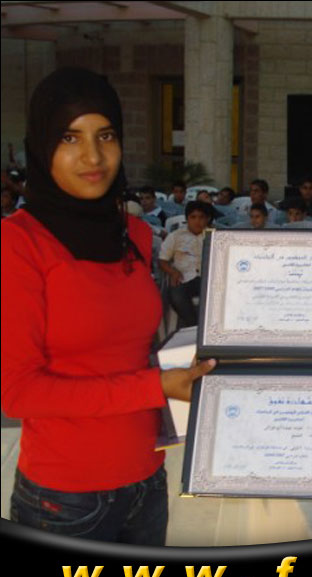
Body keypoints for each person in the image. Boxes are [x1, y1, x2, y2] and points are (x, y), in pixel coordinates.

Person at [1, 67, 215, 544]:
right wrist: (154, 386)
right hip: (65, 497)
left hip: (147, 477)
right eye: (69, 138)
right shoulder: (17, 243)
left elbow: (131, 348)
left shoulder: (132, 232)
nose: (93, 156)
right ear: (41, 145)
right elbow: (18, 393)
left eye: (106, 135)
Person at [159, 200, 212, 328]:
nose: (197, 221)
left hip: (209, 279)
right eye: (193, 217)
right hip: (184, 278)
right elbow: (162, 260)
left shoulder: (214, 236)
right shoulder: (175, 236)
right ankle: (194, 327)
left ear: (207, 219)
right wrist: (173, 272)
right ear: (187, 219)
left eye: (201, 217)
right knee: (176, 294)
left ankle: (209, 328)